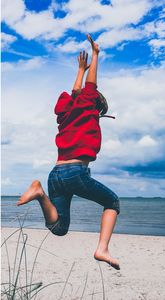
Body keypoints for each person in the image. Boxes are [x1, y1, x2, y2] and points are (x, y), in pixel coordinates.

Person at [17, 34, 120, 270]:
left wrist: (79, 70)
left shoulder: (65, 115)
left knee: (59, 228)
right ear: (93, 103)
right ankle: (102, 248)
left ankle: (40, 194)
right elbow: (88, 88)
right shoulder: (87, 104)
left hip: (56, 175)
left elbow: (76, 93)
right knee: (113, 202)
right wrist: (95, 55)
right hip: (75, 172)